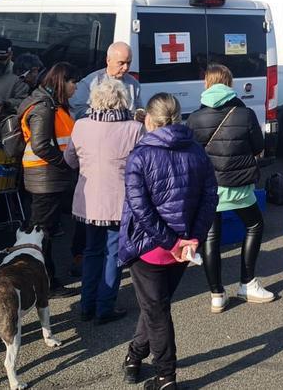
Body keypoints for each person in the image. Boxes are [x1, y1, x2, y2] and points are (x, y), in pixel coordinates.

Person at [119, 93, 217, 390]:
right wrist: (192, 238)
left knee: (157, 311)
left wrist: (173, 242)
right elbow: (210, 197)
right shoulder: (197, 152)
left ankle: (166, 378)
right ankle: (135, 356)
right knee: (156, 306)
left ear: (149, 119)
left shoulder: (140, 154)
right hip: (182, 246)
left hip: (151, 247)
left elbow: (140, 208)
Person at [185, 64, 274, 312]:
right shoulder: (244, 114)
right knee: (255, 225)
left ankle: (216, 294)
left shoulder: (194, 118)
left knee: (211, 236)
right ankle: (247, 283)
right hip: (239, 186)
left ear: (207, 84)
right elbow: (259, 148)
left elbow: (191, 155)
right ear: (229, 83)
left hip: (209, 189)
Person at [63, 76, 144, 324]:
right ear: (123, 100)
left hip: (88, 201)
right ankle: (105, 306)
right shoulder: (134, 128)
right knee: (113, 254)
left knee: (91, 251)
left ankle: (86, 305)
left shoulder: (81, 125)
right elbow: (142, 164)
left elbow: (70, 160)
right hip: (119, 201)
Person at [16, 61, 81, 290]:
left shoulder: (49, 103)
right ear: (62, 81)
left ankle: (46, 279)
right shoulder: (44, 107)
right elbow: (41, 145)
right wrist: (65, 163)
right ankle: (45, 282)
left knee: (45, 232)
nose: (76, 87)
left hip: (50, 179)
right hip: (45, 180)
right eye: (74, 82)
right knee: (41, 235)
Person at [72, 42, 143, 120]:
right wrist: (105, 115)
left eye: (128, 63)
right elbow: (79, 111)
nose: (125, 67)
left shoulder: (133, 83)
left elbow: (139, 107)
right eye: (121, 63)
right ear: (108, 60)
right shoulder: (89, 83)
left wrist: (139, 113)